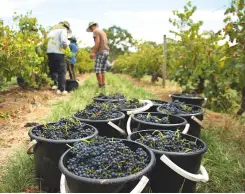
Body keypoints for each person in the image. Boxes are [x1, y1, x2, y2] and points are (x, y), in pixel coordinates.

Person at [47, 21, 71, 95]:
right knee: (62, 70)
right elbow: (64, 41)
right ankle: (61, 89)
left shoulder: (51, 30)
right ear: (66, 26)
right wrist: (67, 48)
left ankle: (54, 85)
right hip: (58, 52)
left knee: (53, 69)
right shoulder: (63, 29)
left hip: (49, 52)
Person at [86, 22, 109, 88]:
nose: (91, 29)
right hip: (106, 51)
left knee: (97, 70)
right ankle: (103, 85)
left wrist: (93, 52)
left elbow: (97, 42)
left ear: (92, 26)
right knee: (102, 69)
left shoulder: (95, 31)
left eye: (90, 28)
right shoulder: (103, 32)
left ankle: (100, 85)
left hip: (100, 52)